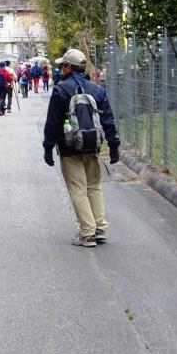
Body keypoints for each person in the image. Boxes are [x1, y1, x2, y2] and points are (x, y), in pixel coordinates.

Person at [42, 48, 121, 247]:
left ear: (69, 67)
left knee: (78, 188)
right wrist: (113, 145)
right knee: (94, 187)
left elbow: (53, 122)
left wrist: (48, 147)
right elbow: (108, 120)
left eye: (62, 66)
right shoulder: (97, 89)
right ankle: (100, 228)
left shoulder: (60, 90)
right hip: (92, 145)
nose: (60, 69)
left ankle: (87, 233)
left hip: (69, 148)